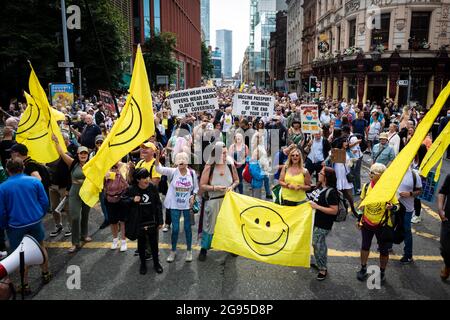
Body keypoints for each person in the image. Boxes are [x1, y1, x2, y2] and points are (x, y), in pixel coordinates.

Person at [0, 159, 51, 294]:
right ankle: (46, 273)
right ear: (23, 167)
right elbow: (45, 202)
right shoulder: (34, 181)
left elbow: (2, 211)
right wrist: (39, 214)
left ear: (7, 170)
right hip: (34, 221)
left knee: (20, 254)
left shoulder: (3, 187)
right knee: (41, 246)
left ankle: (25, 284)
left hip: (15, 226)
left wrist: (4, 225)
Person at [357, 163, 400, 284]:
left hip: (383, 225)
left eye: (373, 173)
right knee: (365, 246)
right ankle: (363, 268)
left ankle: (381, 272)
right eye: (370, 171)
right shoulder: (366, 187)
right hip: (367, 223)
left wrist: (392, 207)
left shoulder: (388, 190)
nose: (370, 174)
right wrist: (359, 218)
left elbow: (397, 206)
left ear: (381, 176)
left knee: (384, 250)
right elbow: (362, 204)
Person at [198, 142, 239, 261]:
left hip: (228, 201)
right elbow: (202, 185)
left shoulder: (230, 164)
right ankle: (204, 248)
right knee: (209, 226)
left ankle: (230, 247)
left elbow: (236, 180)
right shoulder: (209, 166)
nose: (225, 156)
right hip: (213, 201)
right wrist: (215, 188)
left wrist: (232, 186)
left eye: (226, 153)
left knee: (228, 225)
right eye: (223, 153)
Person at [155, 151, 198, 263]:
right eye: (179, 159)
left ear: (187, 162)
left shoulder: (192, 173)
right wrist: (158, 157)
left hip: (187, 206)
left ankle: (189, 251)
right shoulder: (173, 171)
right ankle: (173, 251)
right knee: (175, 229)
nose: (181, 161)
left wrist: (193, 196)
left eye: (183, 159)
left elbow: (196, 188)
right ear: (176, 162)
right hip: (174, 204)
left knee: (188, 229)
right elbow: (159, 169)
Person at [52, 135, 92, 253]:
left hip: (87, 191)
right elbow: (62, 153)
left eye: (85, 153)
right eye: (81, 153)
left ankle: (84, 235)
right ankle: (75, 242)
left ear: (88, 155)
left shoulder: (92, 164)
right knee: (75, 217)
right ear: (78, 154)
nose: (83, 155)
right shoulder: (72, 163)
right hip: (75, 192)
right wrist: (57, 142)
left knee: (85, 214)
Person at [121, 168, 163, 275]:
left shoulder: (152, 187)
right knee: (141, 244)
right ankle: (143, 264)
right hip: (138, 221)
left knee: (154, 244)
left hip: (151, 220)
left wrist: (160, 221)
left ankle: (156, 264)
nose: (147, 180)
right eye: (144, 178)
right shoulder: (132, 189)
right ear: (138, 179)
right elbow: (122, 201)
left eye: (147, 177)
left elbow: (158, 205)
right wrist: (132, 199)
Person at [309, 167, 339, 281]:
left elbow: (334, 210)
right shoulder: (320, 187)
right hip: (315, 221)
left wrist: (317, 207)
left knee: (317, 244)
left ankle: (322, 268)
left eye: (321, 173)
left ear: (326, 177)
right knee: (318, 244)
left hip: (323, 223)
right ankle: (320, 263)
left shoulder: (331, 192)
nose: (318, 173)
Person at [397, 165, 422, 264]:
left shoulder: (414, 174)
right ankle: (388, 246)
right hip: (393, 206)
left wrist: (410, 194)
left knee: (406, 230)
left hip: (407, 208)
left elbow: (420, 191)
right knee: (389, 226)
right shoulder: (394, 170)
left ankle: (408, 255)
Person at [104, 162, 129, 252]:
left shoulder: (124, 166)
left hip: (122, 198)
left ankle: (123, 241)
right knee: (112, 220)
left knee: (122, 221)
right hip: (109, 199)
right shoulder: (106, 166)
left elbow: (127, 182)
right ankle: (115, 240)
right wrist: (105, 175)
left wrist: (121, 173)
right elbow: (102, 182)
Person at [437, 174, 450, 280]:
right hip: (448, 219)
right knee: (445, 248)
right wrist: (440, 209)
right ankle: (448, 265)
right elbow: (442, 192)